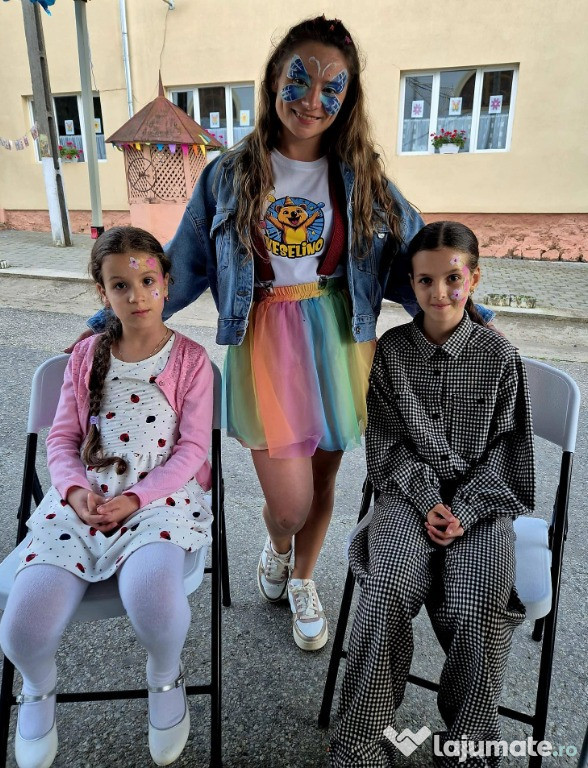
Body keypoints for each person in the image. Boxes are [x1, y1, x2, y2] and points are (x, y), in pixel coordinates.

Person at [81, 17, 492, 652]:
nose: (313, 99)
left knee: (324, 481)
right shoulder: (229, 174)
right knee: (291, 503)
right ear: (275, 78)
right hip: (266, 344)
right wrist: (106, 324)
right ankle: (279, 545)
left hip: (339, 340)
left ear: (348, 98)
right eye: (300, 79)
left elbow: (420, 248)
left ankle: (302, 577)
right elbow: (184, 264)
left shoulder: (361, 174)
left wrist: (470, 312)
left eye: (333, 87)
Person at [0, 226, 214, 768]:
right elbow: (61, 439)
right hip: (80, 505)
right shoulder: (85, 356)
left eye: (147, 281)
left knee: (155, 602)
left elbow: (193, 450)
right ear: (103, 292)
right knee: (22, 627)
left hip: (159, 502)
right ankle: (37, 687)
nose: (137, 296)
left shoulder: (190, 361)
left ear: (166, 283)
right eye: (121, 285)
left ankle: (164, 675)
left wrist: (137, 499)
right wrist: (74, 492)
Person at [330, 221, 535, 767]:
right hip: (406, 496)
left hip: (481, 505)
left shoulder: (501, 356)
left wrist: (463, 509)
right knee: (386, 590)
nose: (439, 292)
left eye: (452, 278)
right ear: (412, 283)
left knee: (480, 603)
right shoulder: (392, 352)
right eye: (425, 280)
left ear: (474, 278)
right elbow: (386, 444)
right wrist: (427, 500)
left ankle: (469, 746)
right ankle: (359, 743)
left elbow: (509, 453)